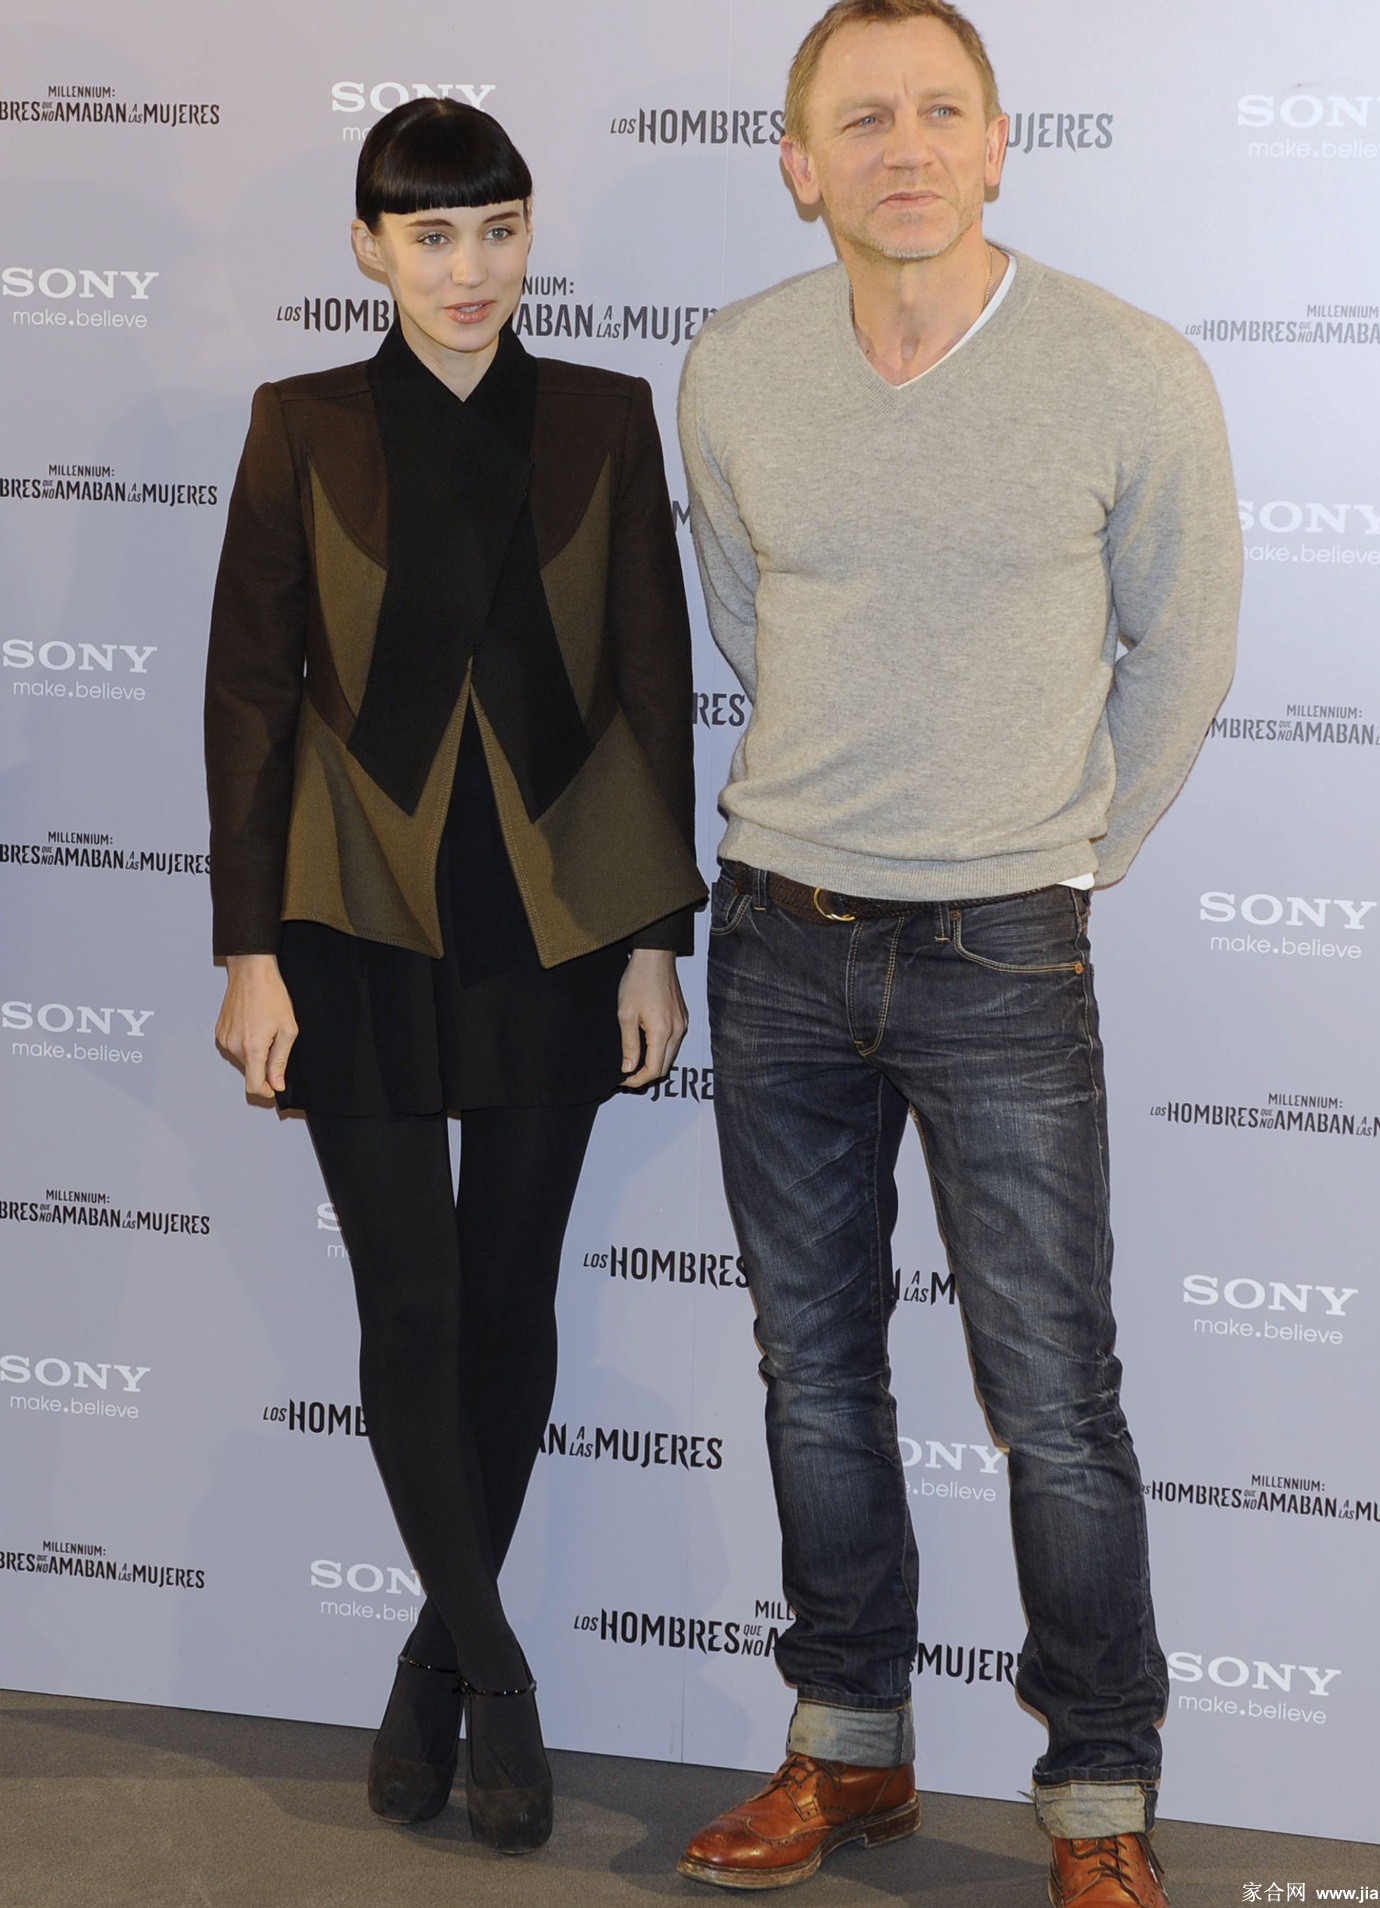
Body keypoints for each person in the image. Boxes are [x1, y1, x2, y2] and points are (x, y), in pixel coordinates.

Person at [675, 0, 1240, 1897]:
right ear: (798, 162)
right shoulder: (734, 367)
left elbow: (1186, 647)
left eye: (939, 112)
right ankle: (849, 1747)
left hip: (1006, 949)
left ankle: (1097, 1800)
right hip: (777, 934)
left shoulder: (1129, 369)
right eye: (861, 119)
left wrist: (1072, 854)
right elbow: (748, 614)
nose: (902, 148)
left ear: (999, 145)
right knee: (813, 1372)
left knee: (1053, 1399)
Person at [204, 98, 705, 1854]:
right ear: (370, 248)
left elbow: (655, 679)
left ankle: (432, 1665)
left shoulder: (607, 416)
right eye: (431, 235)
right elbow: (249, 694)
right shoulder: (301, 423)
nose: (469, 268)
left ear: (527, 234)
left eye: (497, 229)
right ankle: (500, 1671)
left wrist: (656, 938)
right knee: (410, 1312)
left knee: (508, 1304)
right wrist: (248, 950)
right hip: (348, 915)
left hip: (560, 917)